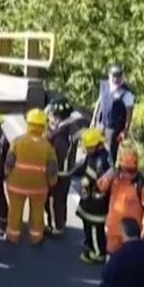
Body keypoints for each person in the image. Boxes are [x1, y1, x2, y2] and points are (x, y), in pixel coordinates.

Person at [3, 107, 58, 246]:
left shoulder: (17, 141)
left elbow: (9, 161)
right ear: (43, 126)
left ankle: (13, 237)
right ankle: (36, 237)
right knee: (37, 213)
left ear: (28, 124)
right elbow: (52, 169)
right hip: (38, 188)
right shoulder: (48, 147)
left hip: (16, 185)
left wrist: (7, 174)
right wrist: (52, 182)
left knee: (14, 211)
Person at [99, 148, 144, 254]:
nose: (127, 174)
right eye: (125, 170)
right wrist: (108, 175)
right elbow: (99, 189)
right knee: (111, 263)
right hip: (112, 230)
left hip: (131, 236)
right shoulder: (114, 178)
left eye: (131, 170)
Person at [45, 98, 86, 238]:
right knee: (61, 200)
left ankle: (56, 228)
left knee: (53, 201)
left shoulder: (60, 136)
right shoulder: (72, 129)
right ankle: (61, 222)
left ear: (58, 117)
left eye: (51, 116)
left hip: (59, 173)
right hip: (67, 172)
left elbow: (56, 154)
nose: (49, 119)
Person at [72, 128, 114, 263]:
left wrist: (88, 185)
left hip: (97, 202)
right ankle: (90, 241)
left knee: (94, 226)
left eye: (89, 147)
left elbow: (103, 185)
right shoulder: (95, 155)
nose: (86, 150)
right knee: (86, 222)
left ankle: (97, 253)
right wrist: (73, 172)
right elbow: (85, 166)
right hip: (89, 198)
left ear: (97, 145)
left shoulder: (102, 161)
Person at [92, 64, 135, 161]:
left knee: (110, 154)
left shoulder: (126, 92)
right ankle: (97, 172)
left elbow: (129, 111)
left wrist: (126, 129)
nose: (116, 79)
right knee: (95, 149)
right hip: (100, 123)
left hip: (113, 128)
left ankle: (110, 172)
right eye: (114, 76)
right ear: (109, 75)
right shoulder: (104, 86)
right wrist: (93, 119)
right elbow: (99, 102)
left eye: (119, 76)